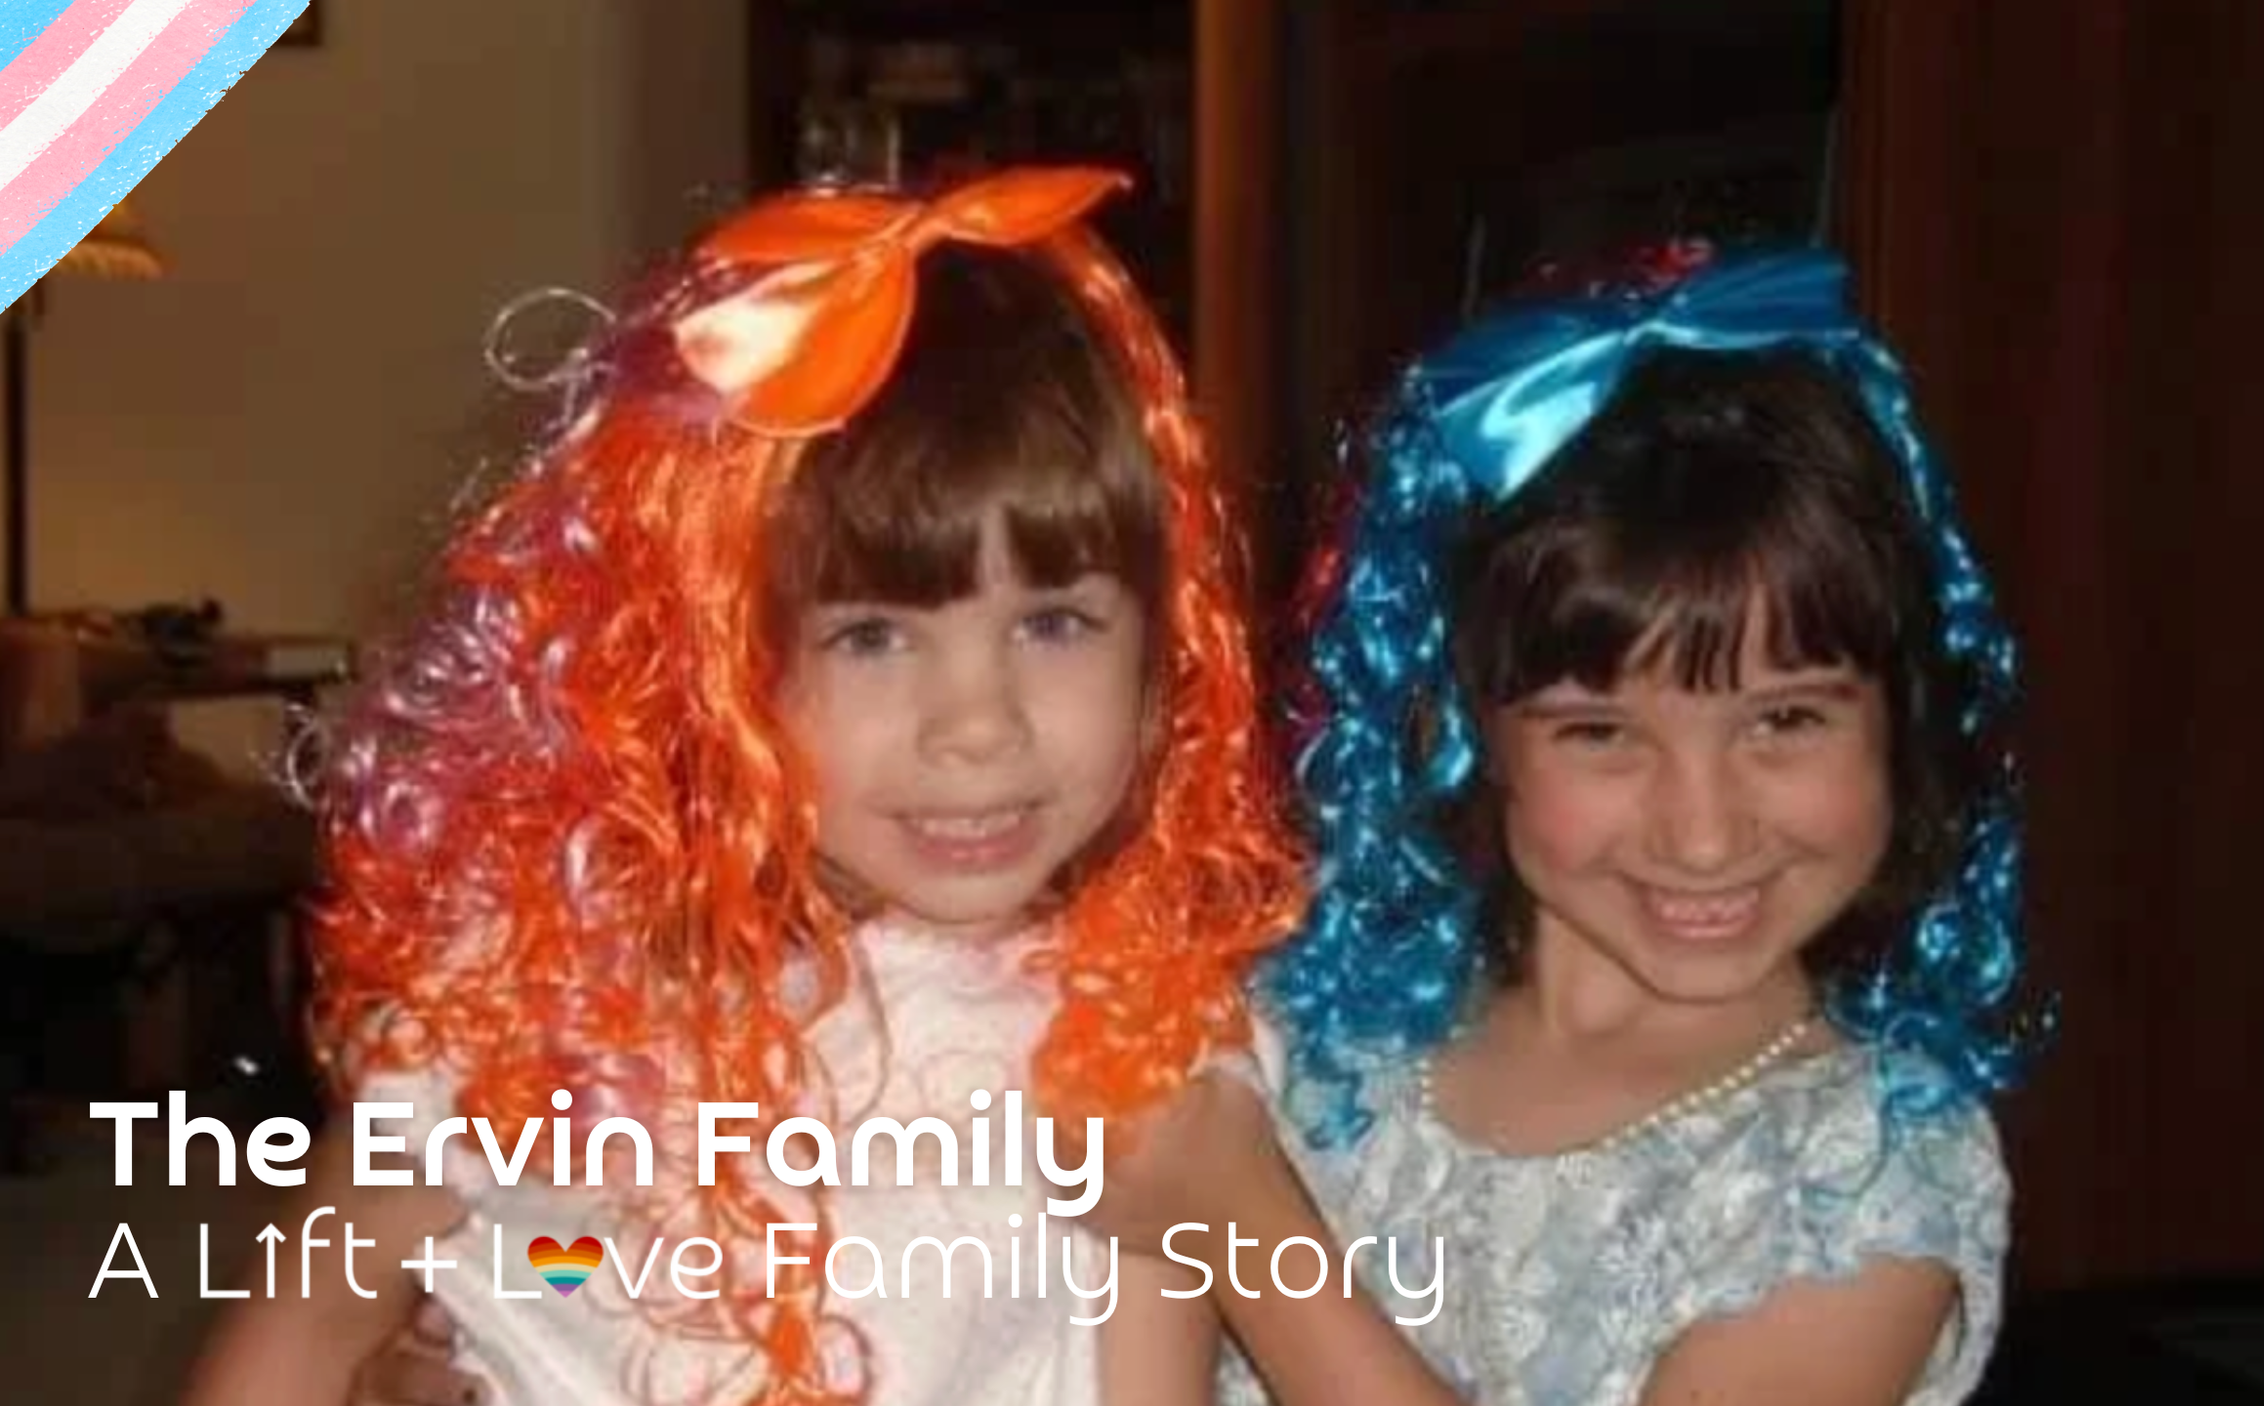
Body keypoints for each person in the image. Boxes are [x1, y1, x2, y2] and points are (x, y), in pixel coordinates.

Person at [181, 165, 1302, 1406]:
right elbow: (312, 1318)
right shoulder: (520, 992)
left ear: (1164, 645)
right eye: (871, 635)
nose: (978, 726)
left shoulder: (1132, 1040)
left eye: (1053, 622)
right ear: (708, 655)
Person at [1108, 248, 2033, 1406]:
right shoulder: (1317, 1037)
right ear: (1463, 726)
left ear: (1901, 710)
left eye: (1784, 718)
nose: (1704, 834)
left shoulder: (1864, 1170)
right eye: (1600, 732)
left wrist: (1246, 1226)